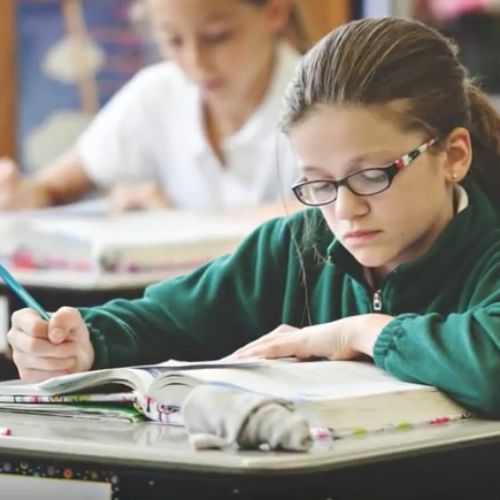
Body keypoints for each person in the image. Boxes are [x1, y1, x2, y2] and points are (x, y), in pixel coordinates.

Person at [7, 17, 500, 415]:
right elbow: (165, 318)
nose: (345, 209)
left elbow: (490, 368)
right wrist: (80, 342)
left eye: (372, 175)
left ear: (453, 156)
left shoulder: (489, 254)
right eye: (319, 183)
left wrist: (358, 332)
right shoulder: (294, 247)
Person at [0, 0, 300, 214]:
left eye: (217, 37)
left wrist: (179, 225)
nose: (196, 63)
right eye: (173, 40)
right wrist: (22, 194)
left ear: (275, 11)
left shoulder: (320, 98)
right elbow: (52, 188)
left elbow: (324, 215)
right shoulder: (157, 94)